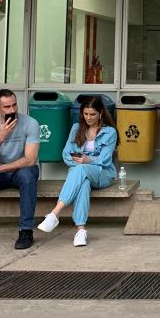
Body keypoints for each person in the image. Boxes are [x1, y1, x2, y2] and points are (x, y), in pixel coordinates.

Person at [37, 96, 118, 247]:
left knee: (80, 170)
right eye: (85, 114)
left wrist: (89, 161)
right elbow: (66, 154)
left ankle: (55, 213)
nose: (88, 117)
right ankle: (81, 231)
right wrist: (80, 164)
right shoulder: (76, 128)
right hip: (80, 171)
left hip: (103, 173)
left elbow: (105, 160)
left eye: (92, 114)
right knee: (83, 183)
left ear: (101, 113)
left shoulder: (110, 132)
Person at [0, 89, 40, 249]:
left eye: (14, 105)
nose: (12, 110)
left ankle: (26, 231)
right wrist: (1, 136)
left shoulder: (30, 123)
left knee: (28, 176)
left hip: (20, 170)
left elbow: (30, 160)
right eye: (7, 107)